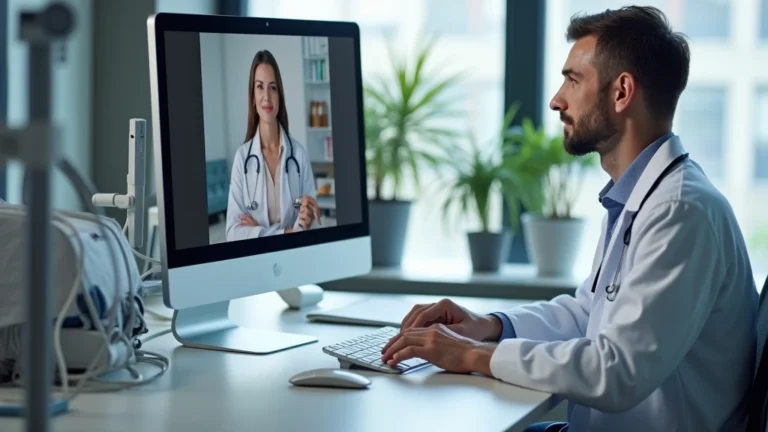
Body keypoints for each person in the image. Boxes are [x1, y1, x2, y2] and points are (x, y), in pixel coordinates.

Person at [381, 6, 759, 432]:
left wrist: (472, 355)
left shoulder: (679, 211)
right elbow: (588, 315)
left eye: (573, 80)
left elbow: (617, 371)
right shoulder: (640, 197)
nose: (557, 99)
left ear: (621, 93)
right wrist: (488, 327)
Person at [226, 50, 320, 241]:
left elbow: (311, 221)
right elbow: (233, 233)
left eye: (273, 88)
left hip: (293, 257)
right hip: (256, 262)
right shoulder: (242, 158)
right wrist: (286, 232)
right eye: (260, 87)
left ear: (280, 95)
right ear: (252, 97)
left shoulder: (298, 155)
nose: (267, 97)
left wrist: (257, 231)